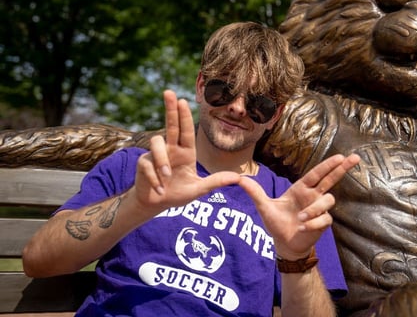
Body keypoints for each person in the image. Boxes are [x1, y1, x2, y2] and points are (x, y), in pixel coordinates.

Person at [22, 22, 360, 316]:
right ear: (200, 86)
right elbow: (38, 259)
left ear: (275, 116)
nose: (237, 108)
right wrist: (137, 204)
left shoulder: (290, 203)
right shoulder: (134, 168)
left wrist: (295, 257)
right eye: (223, 90)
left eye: (259, 103)